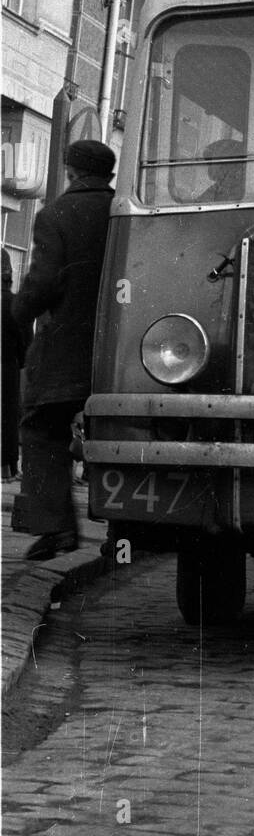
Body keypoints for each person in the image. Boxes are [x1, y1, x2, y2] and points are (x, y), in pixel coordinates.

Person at [13, 139, 116, 560]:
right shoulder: (123, 210)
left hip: (68, 353)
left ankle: (55, 528)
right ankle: (124, 533)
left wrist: (16, 315)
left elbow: (41, 284)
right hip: (125, 352)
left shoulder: (56, 215)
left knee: (40, 429)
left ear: (70, 170)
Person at [1, 247, 28, 481]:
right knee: (8, 418)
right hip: (8, 369)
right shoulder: (15, 303)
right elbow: (25, 344)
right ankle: (8, 468)